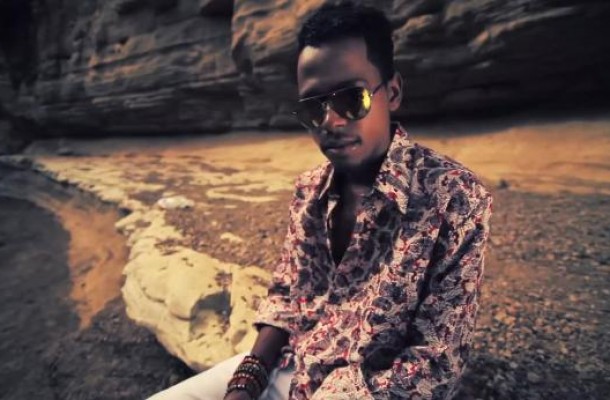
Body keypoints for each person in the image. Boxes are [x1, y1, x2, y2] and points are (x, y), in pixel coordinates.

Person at [149, 2, 492, 399]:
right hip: (291, 366)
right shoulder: (309, 190)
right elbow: (286, 296)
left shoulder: (455, 197)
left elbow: (436, 362)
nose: (331, 121)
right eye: (314, 106)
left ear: (393, 92)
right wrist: (247, 379)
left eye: (352, 98)